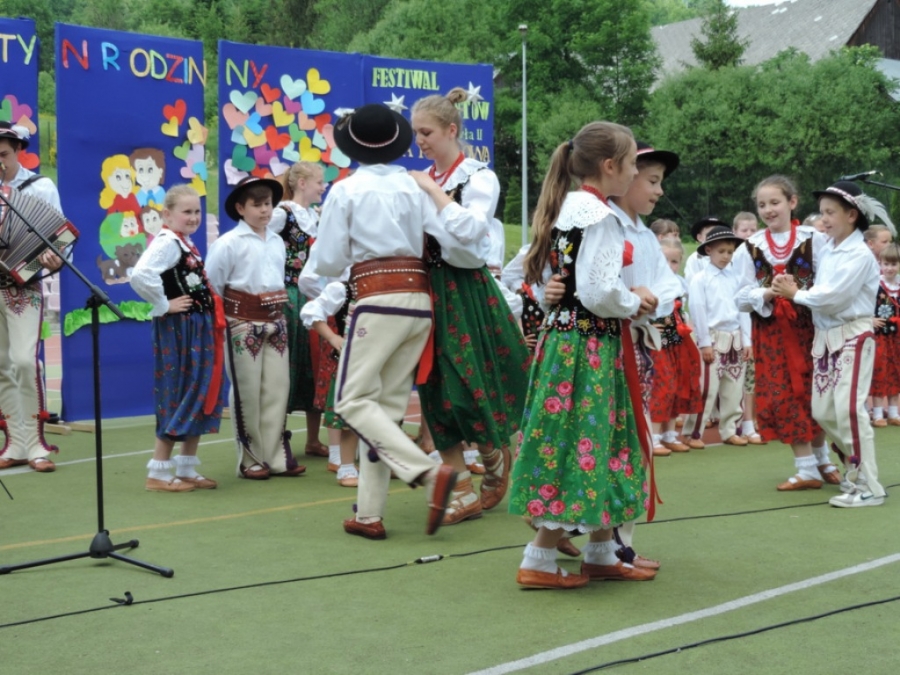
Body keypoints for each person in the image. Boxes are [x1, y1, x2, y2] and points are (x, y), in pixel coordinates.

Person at [509, 121, 659, 590]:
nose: (635, 172)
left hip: (570, 340)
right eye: (632, 163)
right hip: (587, 346)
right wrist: (634, 301)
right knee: (583, 441)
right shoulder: (600, 216)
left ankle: (601, 550)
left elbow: (553, 280)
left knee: (598, 438)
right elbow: (598, 292)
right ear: (610, 166)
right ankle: (538, 558)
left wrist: (555, 295)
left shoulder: (569, 208)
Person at [315, 103, 473, 538]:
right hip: (418, 300)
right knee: (384, 412)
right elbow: (447, 237)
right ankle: (369, 514)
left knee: (351, 401)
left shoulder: (346, 190)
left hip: (377, 298)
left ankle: (428, 473)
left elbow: (328, 260)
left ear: (352, 146)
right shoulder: (413, 185)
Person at [409, 88, 531, 525]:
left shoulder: (479, 178)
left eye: (426, 132)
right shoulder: (420, 179)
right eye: (416, 133)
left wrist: (430, 189)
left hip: (466, 289)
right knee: (435, 388)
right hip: (427, 289)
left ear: (451, 130)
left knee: (471, 384)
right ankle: (460, 489)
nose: (419, 141)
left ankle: (493, 452)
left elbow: (470, 232)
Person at [771, 181, 892, 507]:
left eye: (830, 213)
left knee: (849, 411)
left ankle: (868, 485)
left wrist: (796, 294)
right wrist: (794, 285)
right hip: (826, 340)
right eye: (822, 212)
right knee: (823, 411)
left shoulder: (859, 254)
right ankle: (856, 469)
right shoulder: (830, 248)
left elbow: (835, 297)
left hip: (853, 335)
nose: (823, 219)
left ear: (851, 215)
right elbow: (820, 286)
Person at [733, 175, 835, 491]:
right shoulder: (749, 247)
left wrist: (798, 293)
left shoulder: (815, 240)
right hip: (772, 336)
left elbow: (830, 283)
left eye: (774, 202)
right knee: (783, 395)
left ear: (792, 202)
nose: (768, 210)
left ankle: (822, 459)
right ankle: (806, 467)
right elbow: (740, 297)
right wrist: (768, 292)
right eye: (762, 204)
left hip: (810, 330)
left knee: (816, 393)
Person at [206, 176, 305, 480]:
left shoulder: (276, 241)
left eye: (269, 204)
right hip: (241, 322)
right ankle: (250, 459)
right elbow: (213, 285)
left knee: (278, 388)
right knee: (247, 391)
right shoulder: (227, 244)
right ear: (240, 208)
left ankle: (275, 456)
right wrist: (225, 322)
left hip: (276, 320)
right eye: (257, 205)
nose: (265, 210)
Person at [130, 185, 224, 491]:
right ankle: (158, 472)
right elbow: (140, 274)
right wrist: (163, 304)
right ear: (167, 215)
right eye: (186, 212)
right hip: (180, 328)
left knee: (198, 388)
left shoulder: (185, 242)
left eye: (197, 211)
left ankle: (186, 467)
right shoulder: (168, 242)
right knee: (179, 390)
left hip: (196, 326)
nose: (193, 217)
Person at [0, 122, 64, 473]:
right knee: (0, 365)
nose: (0, 162)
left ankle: (37, 444)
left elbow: (59, 237)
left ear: (18, 151)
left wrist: (52, 257)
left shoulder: (40, 186)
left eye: (4, 155)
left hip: (22, 286)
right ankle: (15, 443)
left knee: (24, 361)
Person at [268, 162, 328, 458]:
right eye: (319, 182)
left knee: (314, 364)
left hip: (313, 296)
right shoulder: (282, 214)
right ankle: (277, 438)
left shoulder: (315, 216)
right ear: (302, 183)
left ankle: (313, 440)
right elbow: (261, 244)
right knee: (286, 366)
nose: (323, 187)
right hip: (289, 296)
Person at [682, 226, 752, 448]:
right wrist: (704, 342)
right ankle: (693, 433)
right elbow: (698, 310)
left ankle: (730, 430)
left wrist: (747, 341)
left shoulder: (737, 278)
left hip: (735, 339)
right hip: (712, 339)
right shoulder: (700, 279)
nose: (726, 256)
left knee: (734, 389)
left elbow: (744, 310)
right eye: (721, 251)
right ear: (708, 250)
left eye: (730, 252)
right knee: (707, 389)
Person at [650, 237, 702, 453]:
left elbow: (682, 311)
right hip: (656, 344)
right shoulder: (649, 283)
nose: (669, 266)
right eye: (664, 261)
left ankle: (669, 434)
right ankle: (652, 437)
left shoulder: (680, 283)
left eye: (674, 261)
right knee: (662, 386)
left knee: (676, 386)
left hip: (676, 343)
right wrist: (649, 325)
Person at [732, 212, 764, 444]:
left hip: (757, 324)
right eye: (744, 230)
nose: (749, 235)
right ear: (735, 232)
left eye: (753, 230)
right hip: (735, 329)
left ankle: (756, 420)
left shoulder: (759, 256)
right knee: (734, 380)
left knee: (756, 376)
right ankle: (739, 423)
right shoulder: (734, 259)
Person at [869, 242, 900, 427]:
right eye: (886, 264)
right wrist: (870, 320)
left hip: (897, 338)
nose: (889, 268)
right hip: (879, 336)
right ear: (880, 264)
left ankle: (894, 412)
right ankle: (878, 413)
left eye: (893, 264)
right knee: (879, 372)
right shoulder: (875, 284)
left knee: (896, 371)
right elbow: (862, 305)